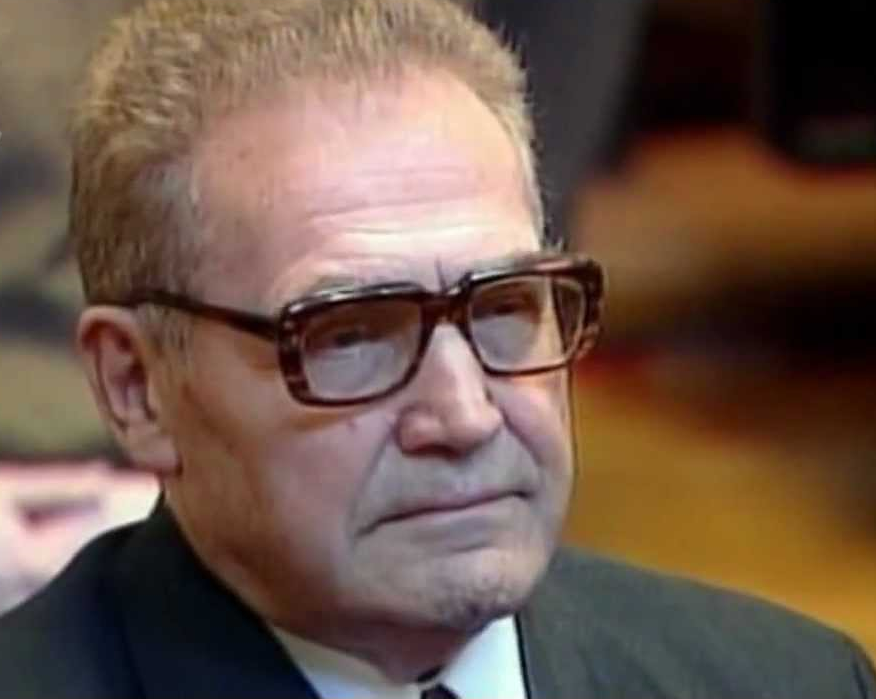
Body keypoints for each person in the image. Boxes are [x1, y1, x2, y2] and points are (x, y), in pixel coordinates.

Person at [0, 1, 873, 697]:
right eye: (349, 335)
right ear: (137, 386)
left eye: (505, 308)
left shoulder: (794, 680)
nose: (465, 414)